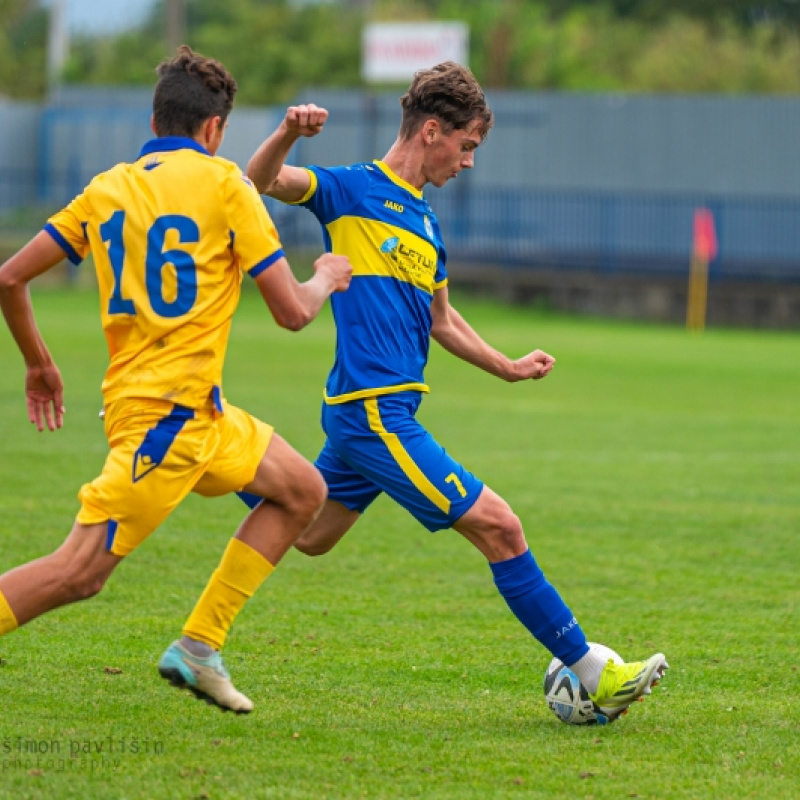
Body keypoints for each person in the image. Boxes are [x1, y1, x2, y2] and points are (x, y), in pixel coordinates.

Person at [243, 61, 667, 721]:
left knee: (309, 533)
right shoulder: (351, 189)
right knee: (501, 526)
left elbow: (441, 320)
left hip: (379, 411)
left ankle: (203, 453)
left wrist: (506, 365)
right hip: (373, 414)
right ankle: (595, 673)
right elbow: (259, 181)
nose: (469, 163)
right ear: (432, 131)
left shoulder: (426, 225)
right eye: (466, 146)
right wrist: (289, 133)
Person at [0, 46, 351, 714]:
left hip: (200, 415)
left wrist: (39, 364)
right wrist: (327, 278)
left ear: (157, 116)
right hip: (168, 423)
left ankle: (198, 647)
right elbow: (292, 312)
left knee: (302, 490)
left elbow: (9, 277)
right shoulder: (227, 185)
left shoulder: (107, 188)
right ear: (214, 128)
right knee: (77, 574)